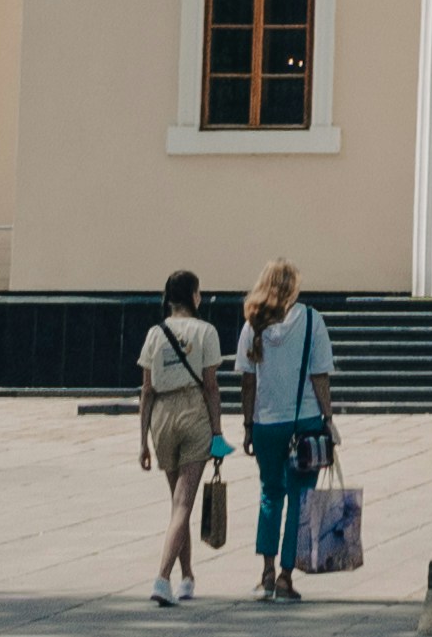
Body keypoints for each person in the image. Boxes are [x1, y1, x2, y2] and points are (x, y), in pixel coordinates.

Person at [233, 259, 338, 602]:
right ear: (292, 287)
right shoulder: (311, 320)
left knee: (270, 494)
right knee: (300, 499)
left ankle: (265, 571)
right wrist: (328, 418)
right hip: (305, 423)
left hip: (265, 423)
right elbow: (319, 375)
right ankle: (285, 577)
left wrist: (248, 425)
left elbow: (248, 382)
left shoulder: (253, 326)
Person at [135, 270, 227, 607]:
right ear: (193, 295)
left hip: (161, 414)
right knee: (183, 504)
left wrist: (143, 441)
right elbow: (211, 386)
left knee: (177, 502)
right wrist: (217, 433)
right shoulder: (206, 331)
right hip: (193, 411)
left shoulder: (154, 333)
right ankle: (162, 578)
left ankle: (187, 576)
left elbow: (145, 390)